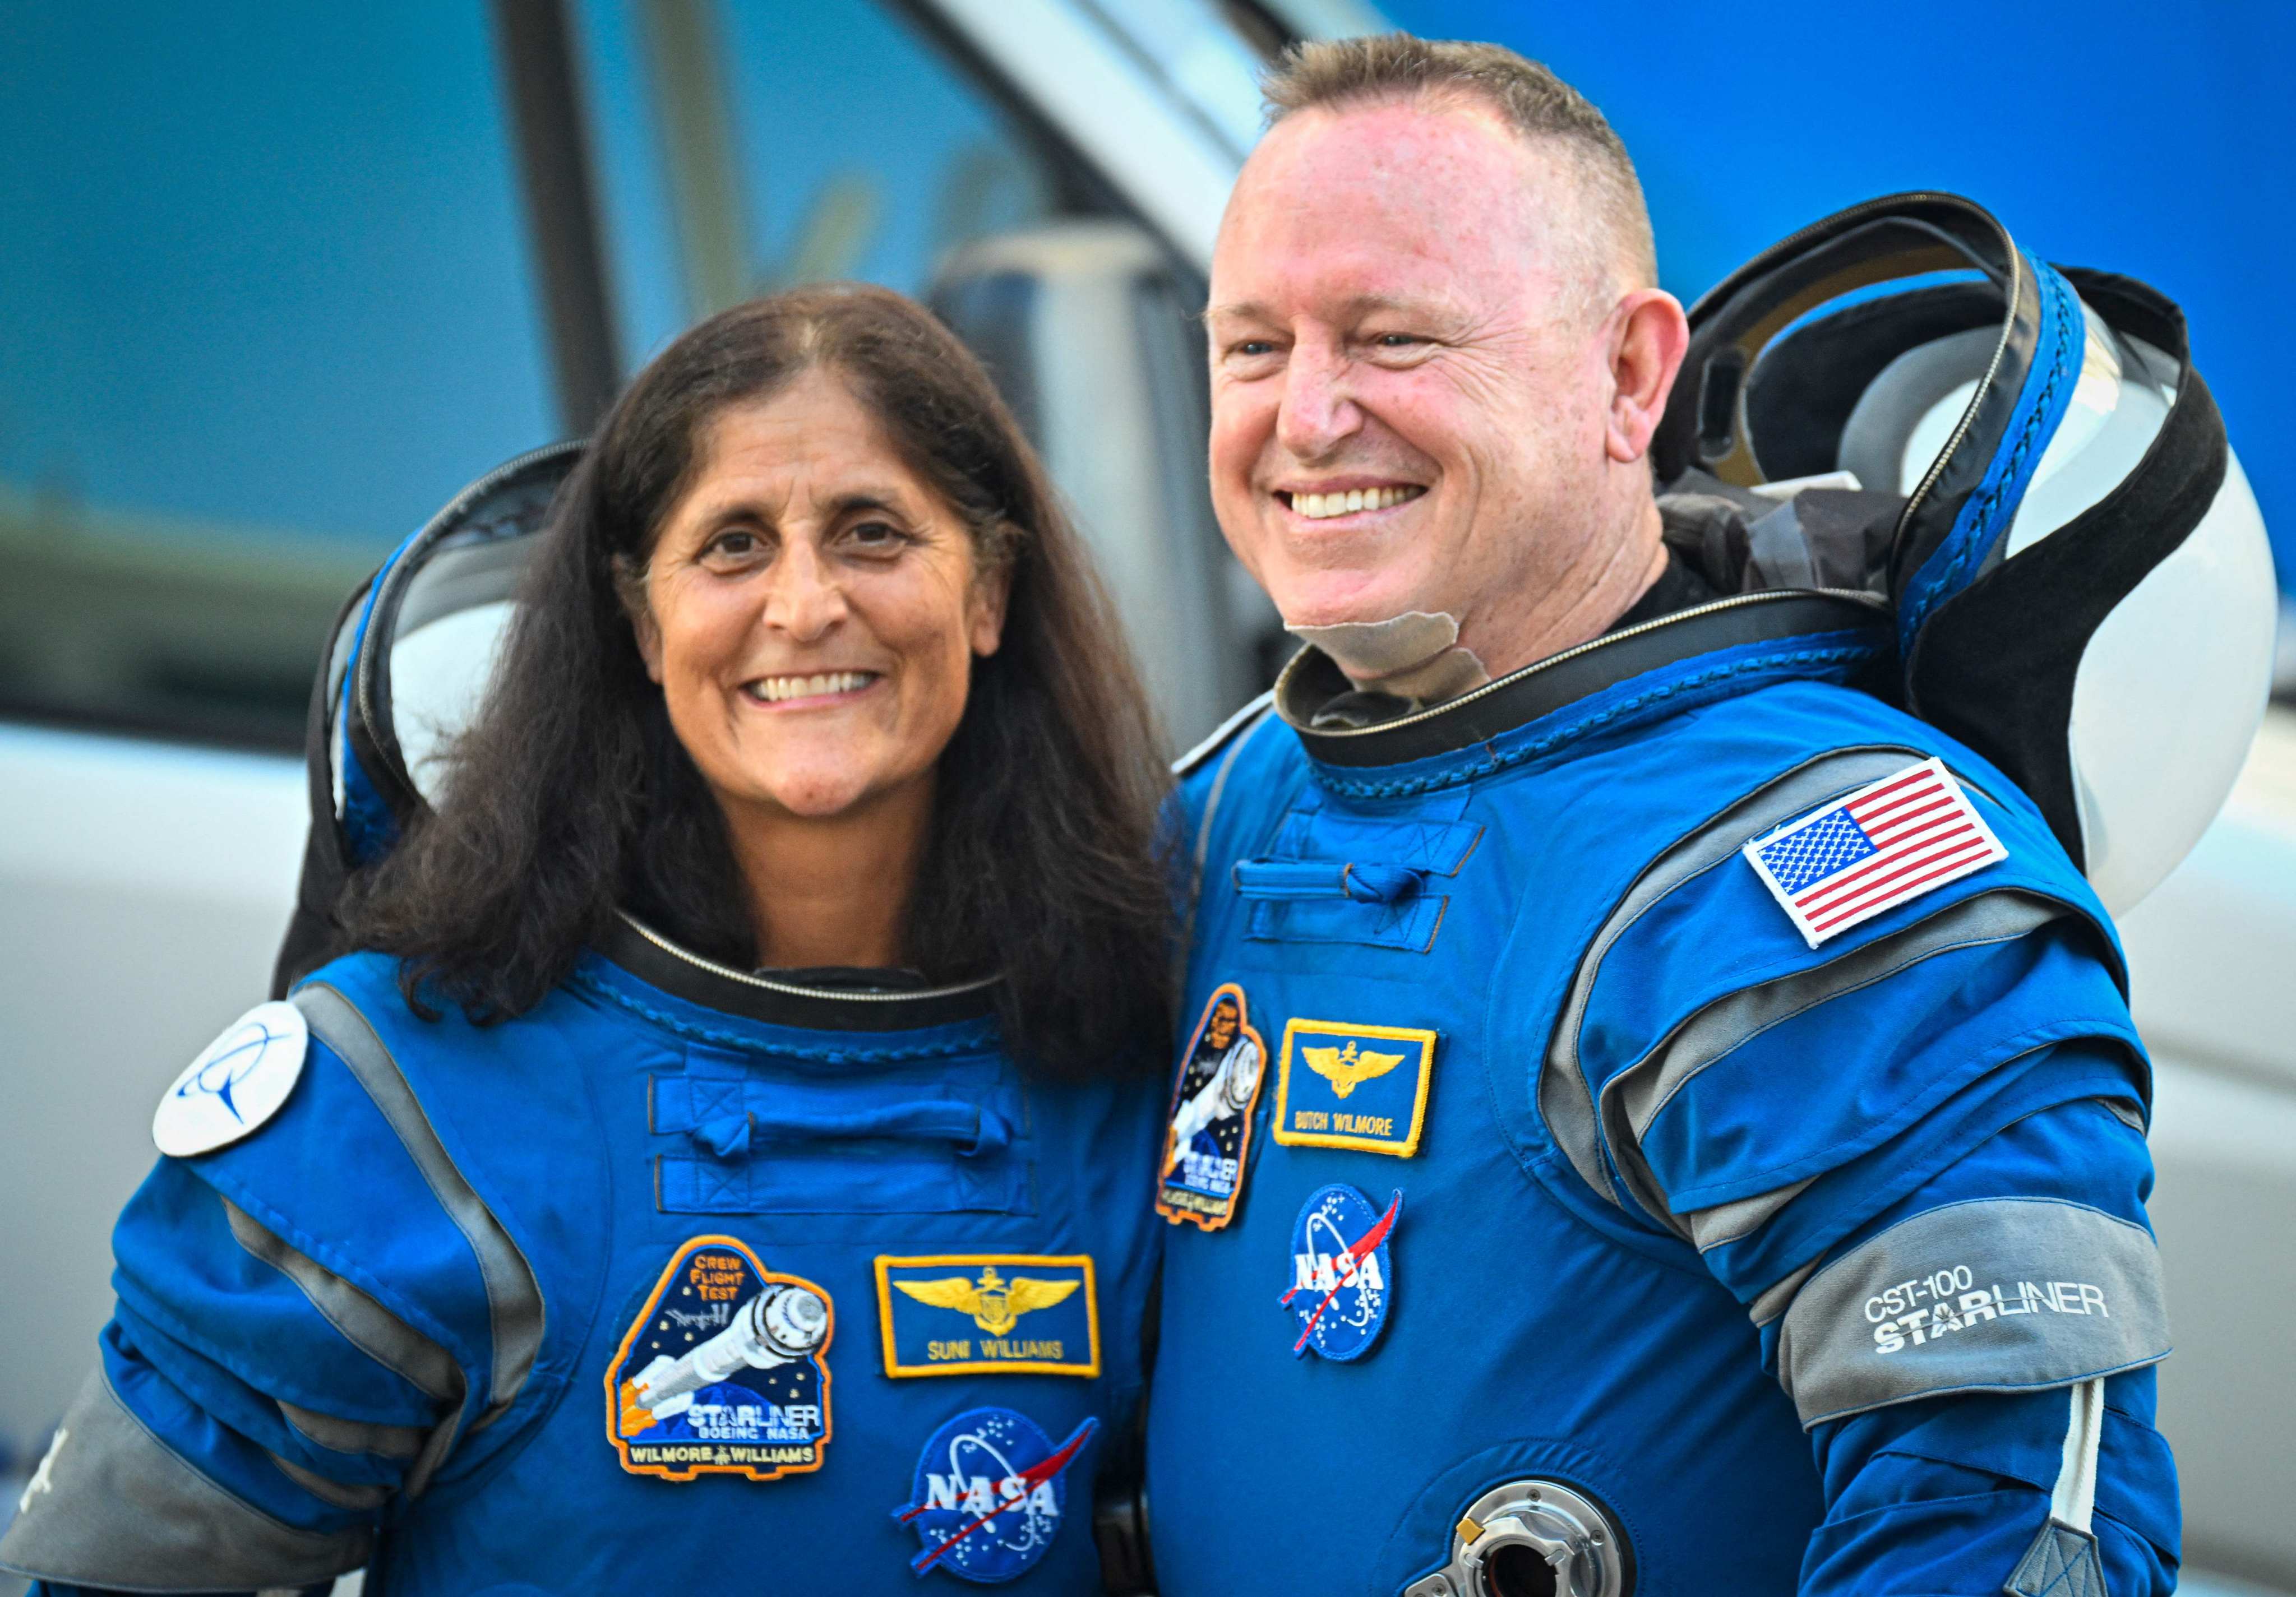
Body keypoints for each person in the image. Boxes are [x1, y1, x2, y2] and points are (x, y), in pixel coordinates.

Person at [1144, 35, 2181, 1596]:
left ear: (1632, 374)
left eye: (1394, 337)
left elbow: (2012, 1533)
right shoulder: (1244, 791)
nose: (1306, 415)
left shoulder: (1819, 867)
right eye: (1250, 347)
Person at [2, 285, 1174, 1594]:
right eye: (731, 545)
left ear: (989, 590)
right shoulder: (403, 1100)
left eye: (872, 533)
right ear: (639, 619)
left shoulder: (1122, 1078)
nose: (802, 606)